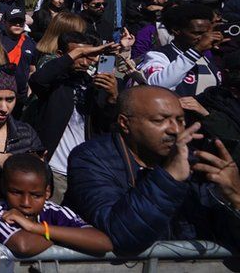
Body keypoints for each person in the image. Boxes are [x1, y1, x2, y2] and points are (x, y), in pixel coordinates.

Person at [65, 86, 240, 254]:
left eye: (180, 120)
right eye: (160, 120)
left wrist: (235, 199)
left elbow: (226, 236)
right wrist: (169, 177)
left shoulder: (196, 161)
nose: (175, 130)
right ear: (125, 123)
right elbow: (120, 236)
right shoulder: (91, 158)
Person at [24, 32, 120, 202]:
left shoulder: (94, 86)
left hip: (85, 173)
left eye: (88, 56)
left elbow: (107, 127)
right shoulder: (55, 84)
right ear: (62, 55)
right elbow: (37, 80)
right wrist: (75, 53)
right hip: (56, 171)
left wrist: (112, 98)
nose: (84, 62)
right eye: (79, 56)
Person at [0, 154, 112, 257]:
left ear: (47, 192)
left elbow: (103, 243)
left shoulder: (52, 210)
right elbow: (24, 245)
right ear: (3, 187)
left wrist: (34, 227)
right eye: (16, 192)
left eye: (36, 195)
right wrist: (67, 236)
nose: (26, 203)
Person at [138, 2, 223, 97]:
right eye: (197, 33)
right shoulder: (158, 55)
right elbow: (157, 86)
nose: (204, 38)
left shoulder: (207, 56)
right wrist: (196, 50)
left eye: (207, 33)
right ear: (176, 30)